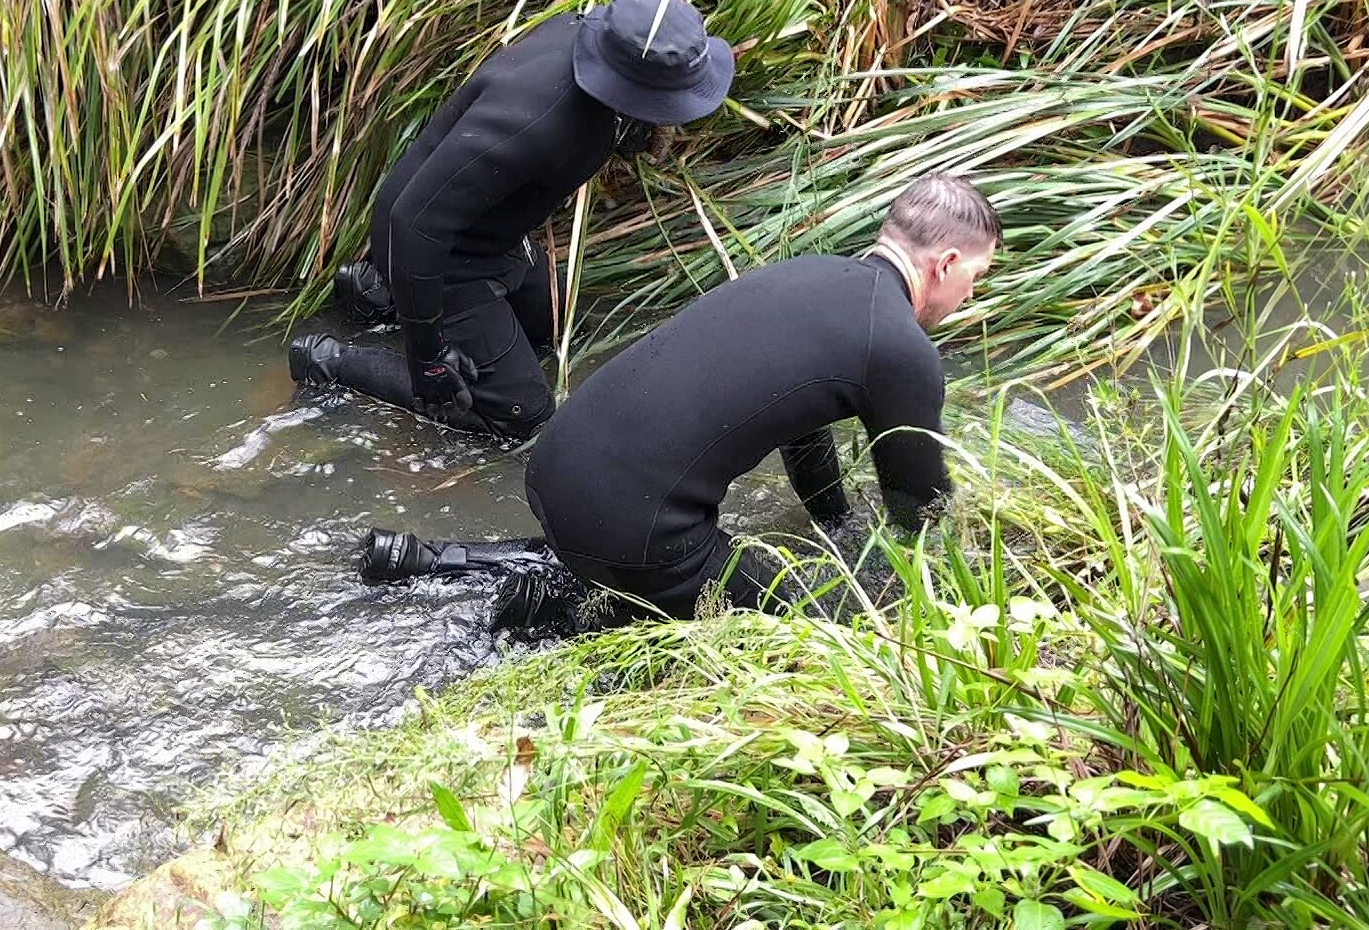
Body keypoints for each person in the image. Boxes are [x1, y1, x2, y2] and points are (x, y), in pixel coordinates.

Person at [357, 173, 1002, 628]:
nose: (969, 295)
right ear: (945, 264)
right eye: (976, 278)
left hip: (556, 467)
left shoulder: (810, 276)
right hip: (632, 529)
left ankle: (430, 561)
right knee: (826, 614)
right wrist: (944, 581)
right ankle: (540, 619)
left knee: (612, 547)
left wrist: (833, 524)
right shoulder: (901, 348)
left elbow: (802, 426)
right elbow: (919, 508)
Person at [288, 0, 735, 439]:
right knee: (522, 419)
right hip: (439, 253)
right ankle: (331, 360)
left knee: (560, 328)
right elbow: (413, 223)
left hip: (491, 236)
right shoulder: (540, 124)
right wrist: (427, 357)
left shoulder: (584, 40)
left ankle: (374, 296)